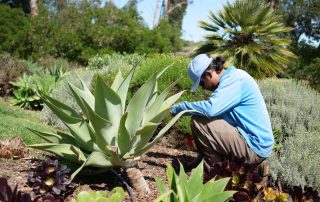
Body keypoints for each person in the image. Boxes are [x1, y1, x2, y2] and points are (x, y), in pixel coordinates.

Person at [171, 54, 274, 178]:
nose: (203, 88)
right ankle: (208, 167)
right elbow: (212, 136)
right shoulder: (229, 80)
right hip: (250, 141)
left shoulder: (234, 79)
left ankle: (214, 173)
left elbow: (210, 109)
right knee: (206, 121)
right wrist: (196, 162)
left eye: (202, 84)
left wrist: (179, 108)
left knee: (199, 122)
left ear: (209, 74)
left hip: (254, 146)